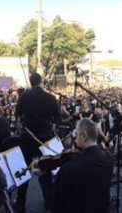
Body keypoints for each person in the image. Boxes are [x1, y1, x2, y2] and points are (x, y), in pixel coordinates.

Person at [14, 73, 61, 212]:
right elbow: (57, 118)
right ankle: (49, 203)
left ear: (31, 82)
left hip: (27, 138)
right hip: (45, 139)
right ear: (41, 82)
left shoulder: (24, 96)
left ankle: (20, 204)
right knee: (46, 169)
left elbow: (17, 114)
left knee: (25, 170)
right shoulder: (50, 98)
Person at [53, 119, 113, 213]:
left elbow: (57, 203)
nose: (75, 139)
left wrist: (44, 178)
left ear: (84, 136)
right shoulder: (109, 159)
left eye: (76, 135)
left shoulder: (69, 168)